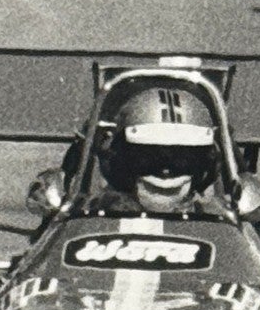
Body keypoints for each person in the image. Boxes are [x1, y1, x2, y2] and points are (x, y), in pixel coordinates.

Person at [85, 83, 224, 218]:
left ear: (205, 165)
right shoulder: (93, 220)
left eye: (181, 159)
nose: (165, 172)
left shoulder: (218, 225)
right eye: (150, 158)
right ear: (120, 161)